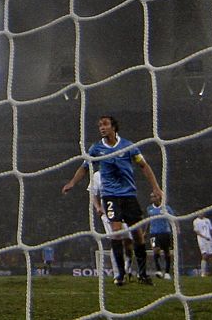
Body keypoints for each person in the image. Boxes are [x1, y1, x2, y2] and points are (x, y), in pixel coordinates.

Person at [62, 115, 164, 286]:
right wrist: (72, 182)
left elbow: (144, 166)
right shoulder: (96, 149)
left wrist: (156, 187)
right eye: (99, 125)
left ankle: (142, 274)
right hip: (110, 196)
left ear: (113, 127)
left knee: (138, 236)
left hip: (129, 195)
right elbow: (84, 168)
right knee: (116, 232)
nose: (102, 128)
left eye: (105, 124)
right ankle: (121, 275)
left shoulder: (128, 146)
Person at [88, 169, 135, 280]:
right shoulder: (97, 175)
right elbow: (93, 193)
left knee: (128, 241)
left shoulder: (121, 171)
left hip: (124, 212)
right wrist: (98, 207)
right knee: (115, 240)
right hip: (108, 213)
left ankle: (127, 266)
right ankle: (118, 273)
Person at [146, 192, 176, 280]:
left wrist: (176, 228)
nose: (152, 198)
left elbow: (173, 219)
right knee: (155, 250)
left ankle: (167, 272)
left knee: (167, 251)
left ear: (159, 197)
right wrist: (145, 232)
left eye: (154, 196)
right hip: (153, 234)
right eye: (151, 197)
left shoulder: (166, 208)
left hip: (165, 233)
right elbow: (148, 221)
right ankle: (158, 270)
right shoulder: (149, 208)